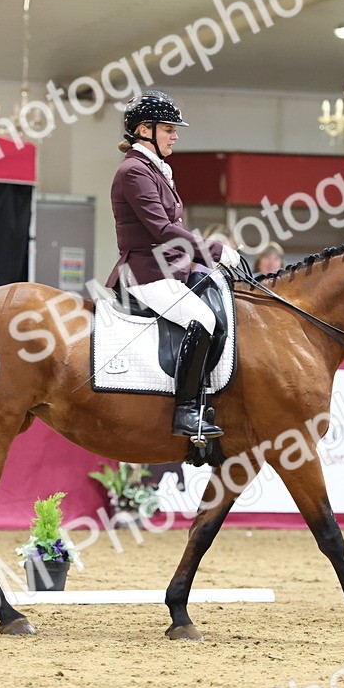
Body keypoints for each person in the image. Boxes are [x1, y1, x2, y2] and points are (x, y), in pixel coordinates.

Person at [105, 91, 240, 440]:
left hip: (170, 267)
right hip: (146, 272)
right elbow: (163, 230)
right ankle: (185, 410)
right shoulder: (135, 171)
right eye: (168, 128)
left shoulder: (156, 169)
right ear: (143, 129)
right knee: (203, 319)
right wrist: (214, 250)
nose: (175, 135)